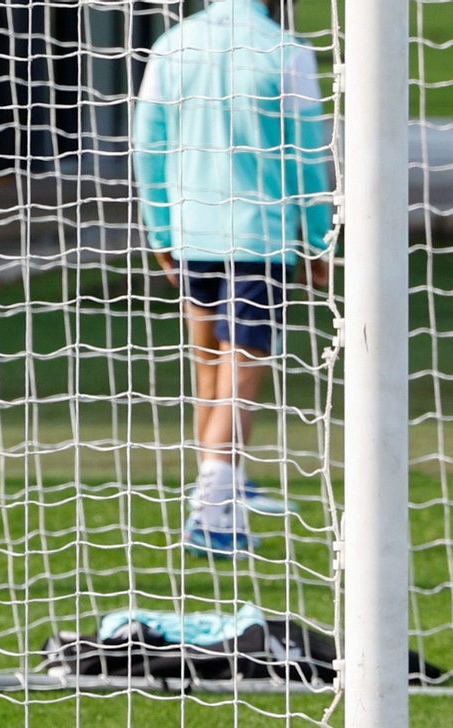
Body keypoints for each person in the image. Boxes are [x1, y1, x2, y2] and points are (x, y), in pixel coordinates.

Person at [132, 0, 333, 560]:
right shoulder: (287, 51)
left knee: (208, 368)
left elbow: (148, 145)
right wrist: (319, 236)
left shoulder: (172, 44)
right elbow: (306, 151)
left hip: (190, 230)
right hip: (258, 236)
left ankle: (223, 488)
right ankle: (213, 515)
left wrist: (160, 228)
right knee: (241, 374)